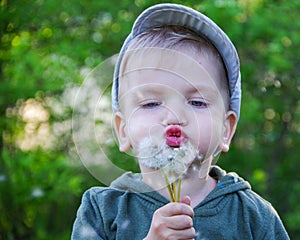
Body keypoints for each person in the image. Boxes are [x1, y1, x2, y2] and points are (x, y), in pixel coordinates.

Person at [71, 3, 290, 239]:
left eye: (197, 103)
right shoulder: (102, 210)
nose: (174, 116)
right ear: (122, 131)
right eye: (151, 104)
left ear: (226, 130)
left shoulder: (253, 215)